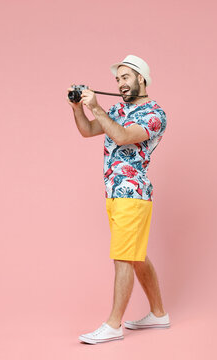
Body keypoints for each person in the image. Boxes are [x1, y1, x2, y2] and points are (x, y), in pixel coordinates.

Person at [67, 55, 170, 345]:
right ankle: (159, 314)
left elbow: (123, 136)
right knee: (136, 255)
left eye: (126, 77)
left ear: (141, 79)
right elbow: (88, 131)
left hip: (133, 193)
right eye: (117, 79)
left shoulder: (154, 114)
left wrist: (96, 107)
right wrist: (78, 109)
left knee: (123, 256)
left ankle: (113, 325)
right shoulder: (117, 108)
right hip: (113, 193)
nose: (121, 83)